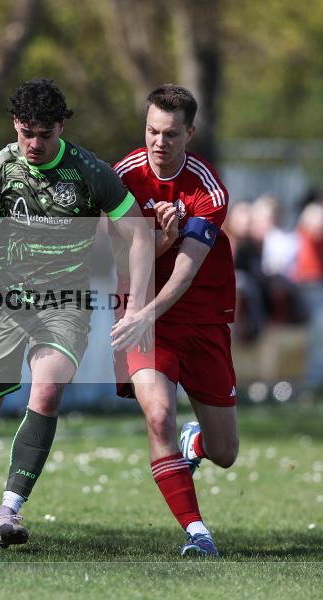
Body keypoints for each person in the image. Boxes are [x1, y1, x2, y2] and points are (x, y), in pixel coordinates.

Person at [0, 79, 152, 548]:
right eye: (26, 132)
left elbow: (140, 234)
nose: (34, 144)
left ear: (60, 128)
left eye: (45, 134)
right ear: (15, 125)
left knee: (48, 391)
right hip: (3, 303)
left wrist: (137, 302)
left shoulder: (89, 172)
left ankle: (9, 511)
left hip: (64, 305)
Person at [111, 84, 238, 558]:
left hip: (199, 315)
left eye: (169, 134)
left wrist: (166, 247)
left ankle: (197, 442)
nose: (158, 143)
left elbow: (186, 270)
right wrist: (156, 244)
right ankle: (198, 534)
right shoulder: (121, 177)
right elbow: (119, 260)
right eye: (151, 131)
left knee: (225, 452)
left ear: (189, 133)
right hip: (142, 310)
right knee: (158, 414)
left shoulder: (209, 189)